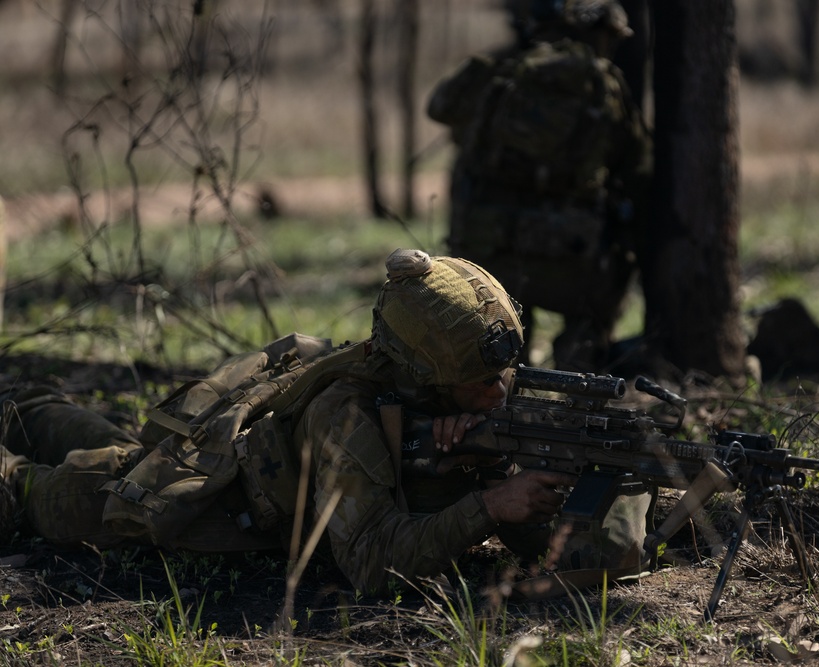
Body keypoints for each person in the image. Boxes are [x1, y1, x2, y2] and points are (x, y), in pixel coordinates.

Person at [0, 249, 654, 597]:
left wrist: (495, 471)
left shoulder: (442, 396)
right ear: (422, 373)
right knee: (40, 493)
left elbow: (554, 543)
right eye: (480, 384)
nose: (500, 393)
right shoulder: (347, 414)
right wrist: (487, 503)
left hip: (237, 457)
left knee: (66, 424)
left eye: (504, 377)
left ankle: (22, 403)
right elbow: (370, 561)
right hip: (208, 500)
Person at [427, 0, 651, 373]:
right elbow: (638, 165)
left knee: (499, 338)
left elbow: (439, 107)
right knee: (588, 324)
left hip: (489, 248)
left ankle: (502, 392)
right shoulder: (603, 82)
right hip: (572, 252)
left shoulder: (503, 72)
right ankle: (579, 384)